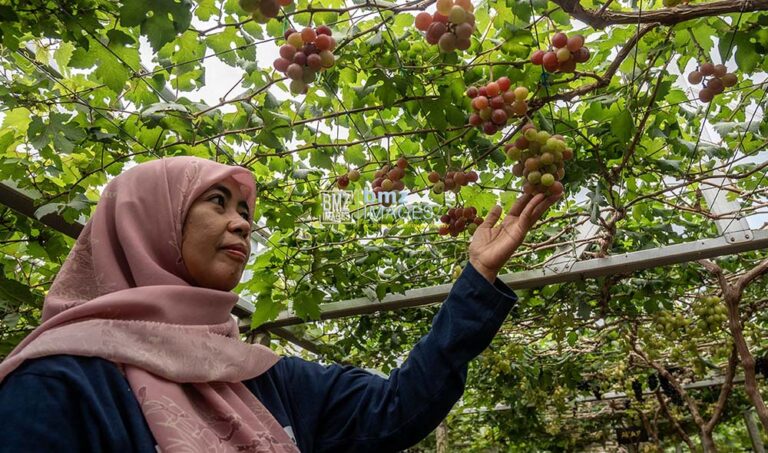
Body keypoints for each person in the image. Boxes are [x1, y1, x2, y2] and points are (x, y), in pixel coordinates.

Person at [0, 156, 559, 452]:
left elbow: (395, 408)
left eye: (245, 210)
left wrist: (478, 274)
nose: (242, 222)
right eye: (217, 203)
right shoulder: (60, 385)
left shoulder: (262, 378)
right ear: (145, 225)